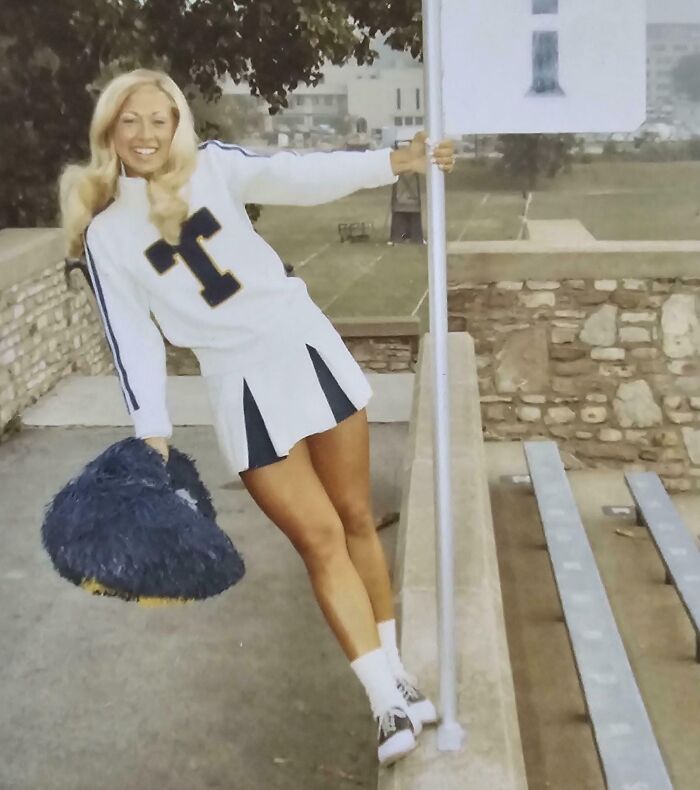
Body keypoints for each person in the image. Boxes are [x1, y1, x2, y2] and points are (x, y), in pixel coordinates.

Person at [59, 68, 455, 767]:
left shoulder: (213, 168)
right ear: (109, 133)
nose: (147, 134)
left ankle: (396, 675)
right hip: (237, 382)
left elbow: (298, 175)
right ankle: (382, 701)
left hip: (303, 346)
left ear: (178, 123)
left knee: (357, 517)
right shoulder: (106, 237)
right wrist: (151, 436)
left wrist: (396, 160)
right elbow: (134, 340)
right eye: (131, 121)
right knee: (318, 536)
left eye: (160, 119)